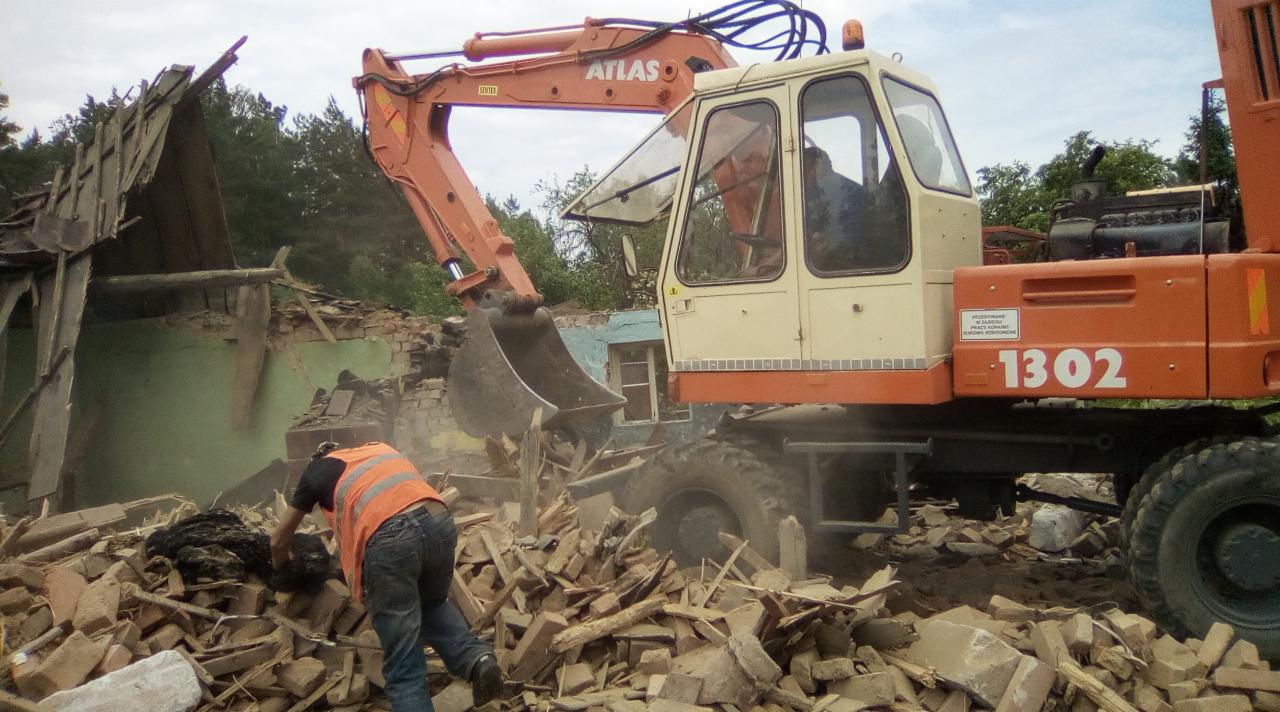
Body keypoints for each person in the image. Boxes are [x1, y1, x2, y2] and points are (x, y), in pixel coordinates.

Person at [271, 441, 501, 711]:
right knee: (431, 604)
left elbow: (278, 541)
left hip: (392, 537)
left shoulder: (316, 472)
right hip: (439, 521)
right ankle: (478, 661)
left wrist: (281, 570)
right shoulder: (377, 449)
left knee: (403, 662)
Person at [802, 145, 868, 270]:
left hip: (843, 259)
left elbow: (805, 235)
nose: (803, 179)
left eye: (804, 171)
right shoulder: (851, 186)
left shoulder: (822, 191)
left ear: (815, 167)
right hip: (864, 254)